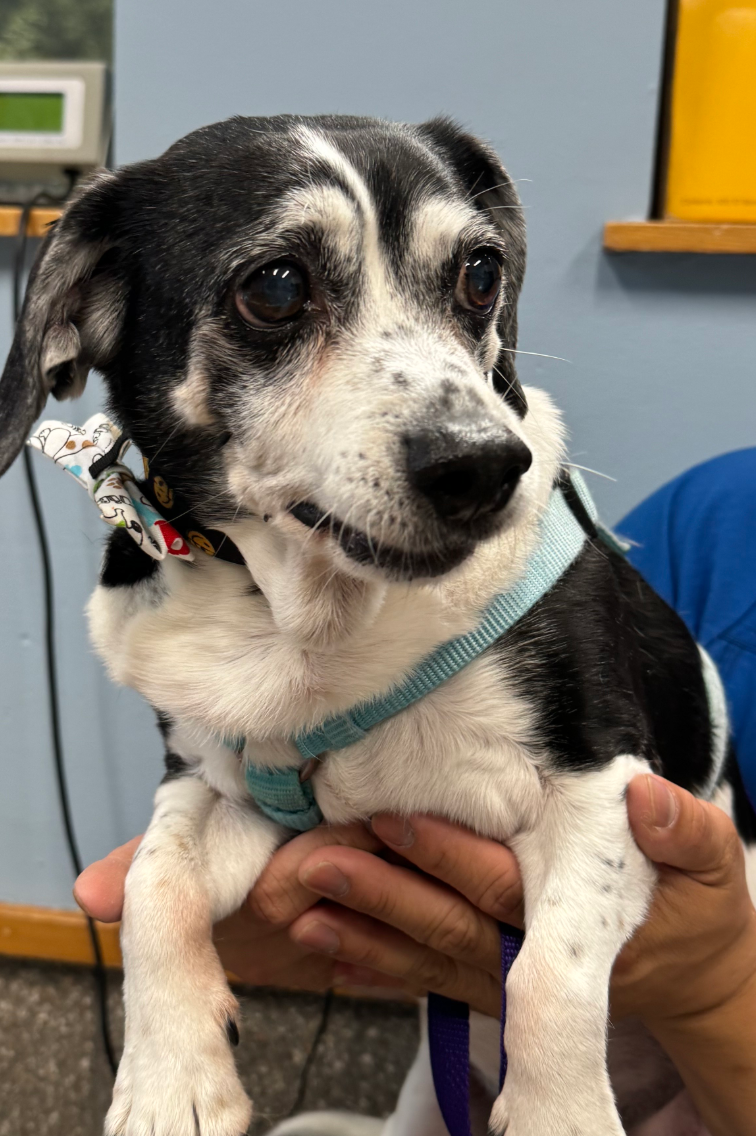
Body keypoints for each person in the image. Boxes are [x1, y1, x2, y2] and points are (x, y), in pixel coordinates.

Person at [75, 451, 756, 1136]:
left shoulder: (553, 568)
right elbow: (226, 788)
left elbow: (592, 784)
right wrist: (183, 918)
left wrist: (716, 989)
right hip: (472, 1056)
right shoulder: (704, 521)